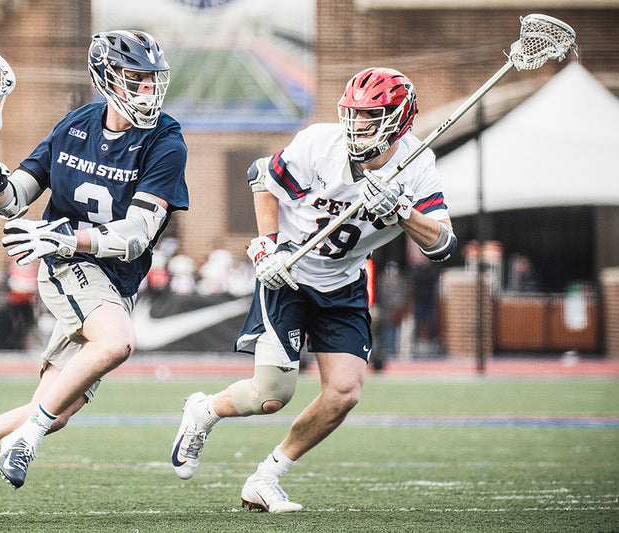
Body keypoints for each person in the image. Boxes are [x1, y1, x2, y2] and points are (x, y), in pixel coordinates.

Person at [0, 30, 188, 521]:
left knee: (56, 409)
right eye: (136, 78)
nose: (147, 90)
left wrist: (65, 236)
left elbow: (139, 234)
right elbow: (17, 197)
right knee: (118, 342)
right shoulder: (74, 125)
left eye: (152, 80)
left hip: (106, 272)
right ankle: (26, 439)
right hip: (66, 268)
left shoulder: (165, 141)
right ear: (106, 78)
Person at [170, 68, 457, 512]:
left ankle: (266, 477)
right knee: (271, 396)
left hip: (343, 283)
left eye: (371, 117)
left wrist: (402, 212)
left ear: (399, 119)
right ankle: (203, 412)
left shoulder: (417, 166)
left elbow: (442, 243)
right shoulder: (320, 144)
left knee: (344, 392)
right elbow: (261, 178)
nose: (358, 127)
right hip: (290, 274)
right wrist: (268, 244)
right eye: (354, 115)